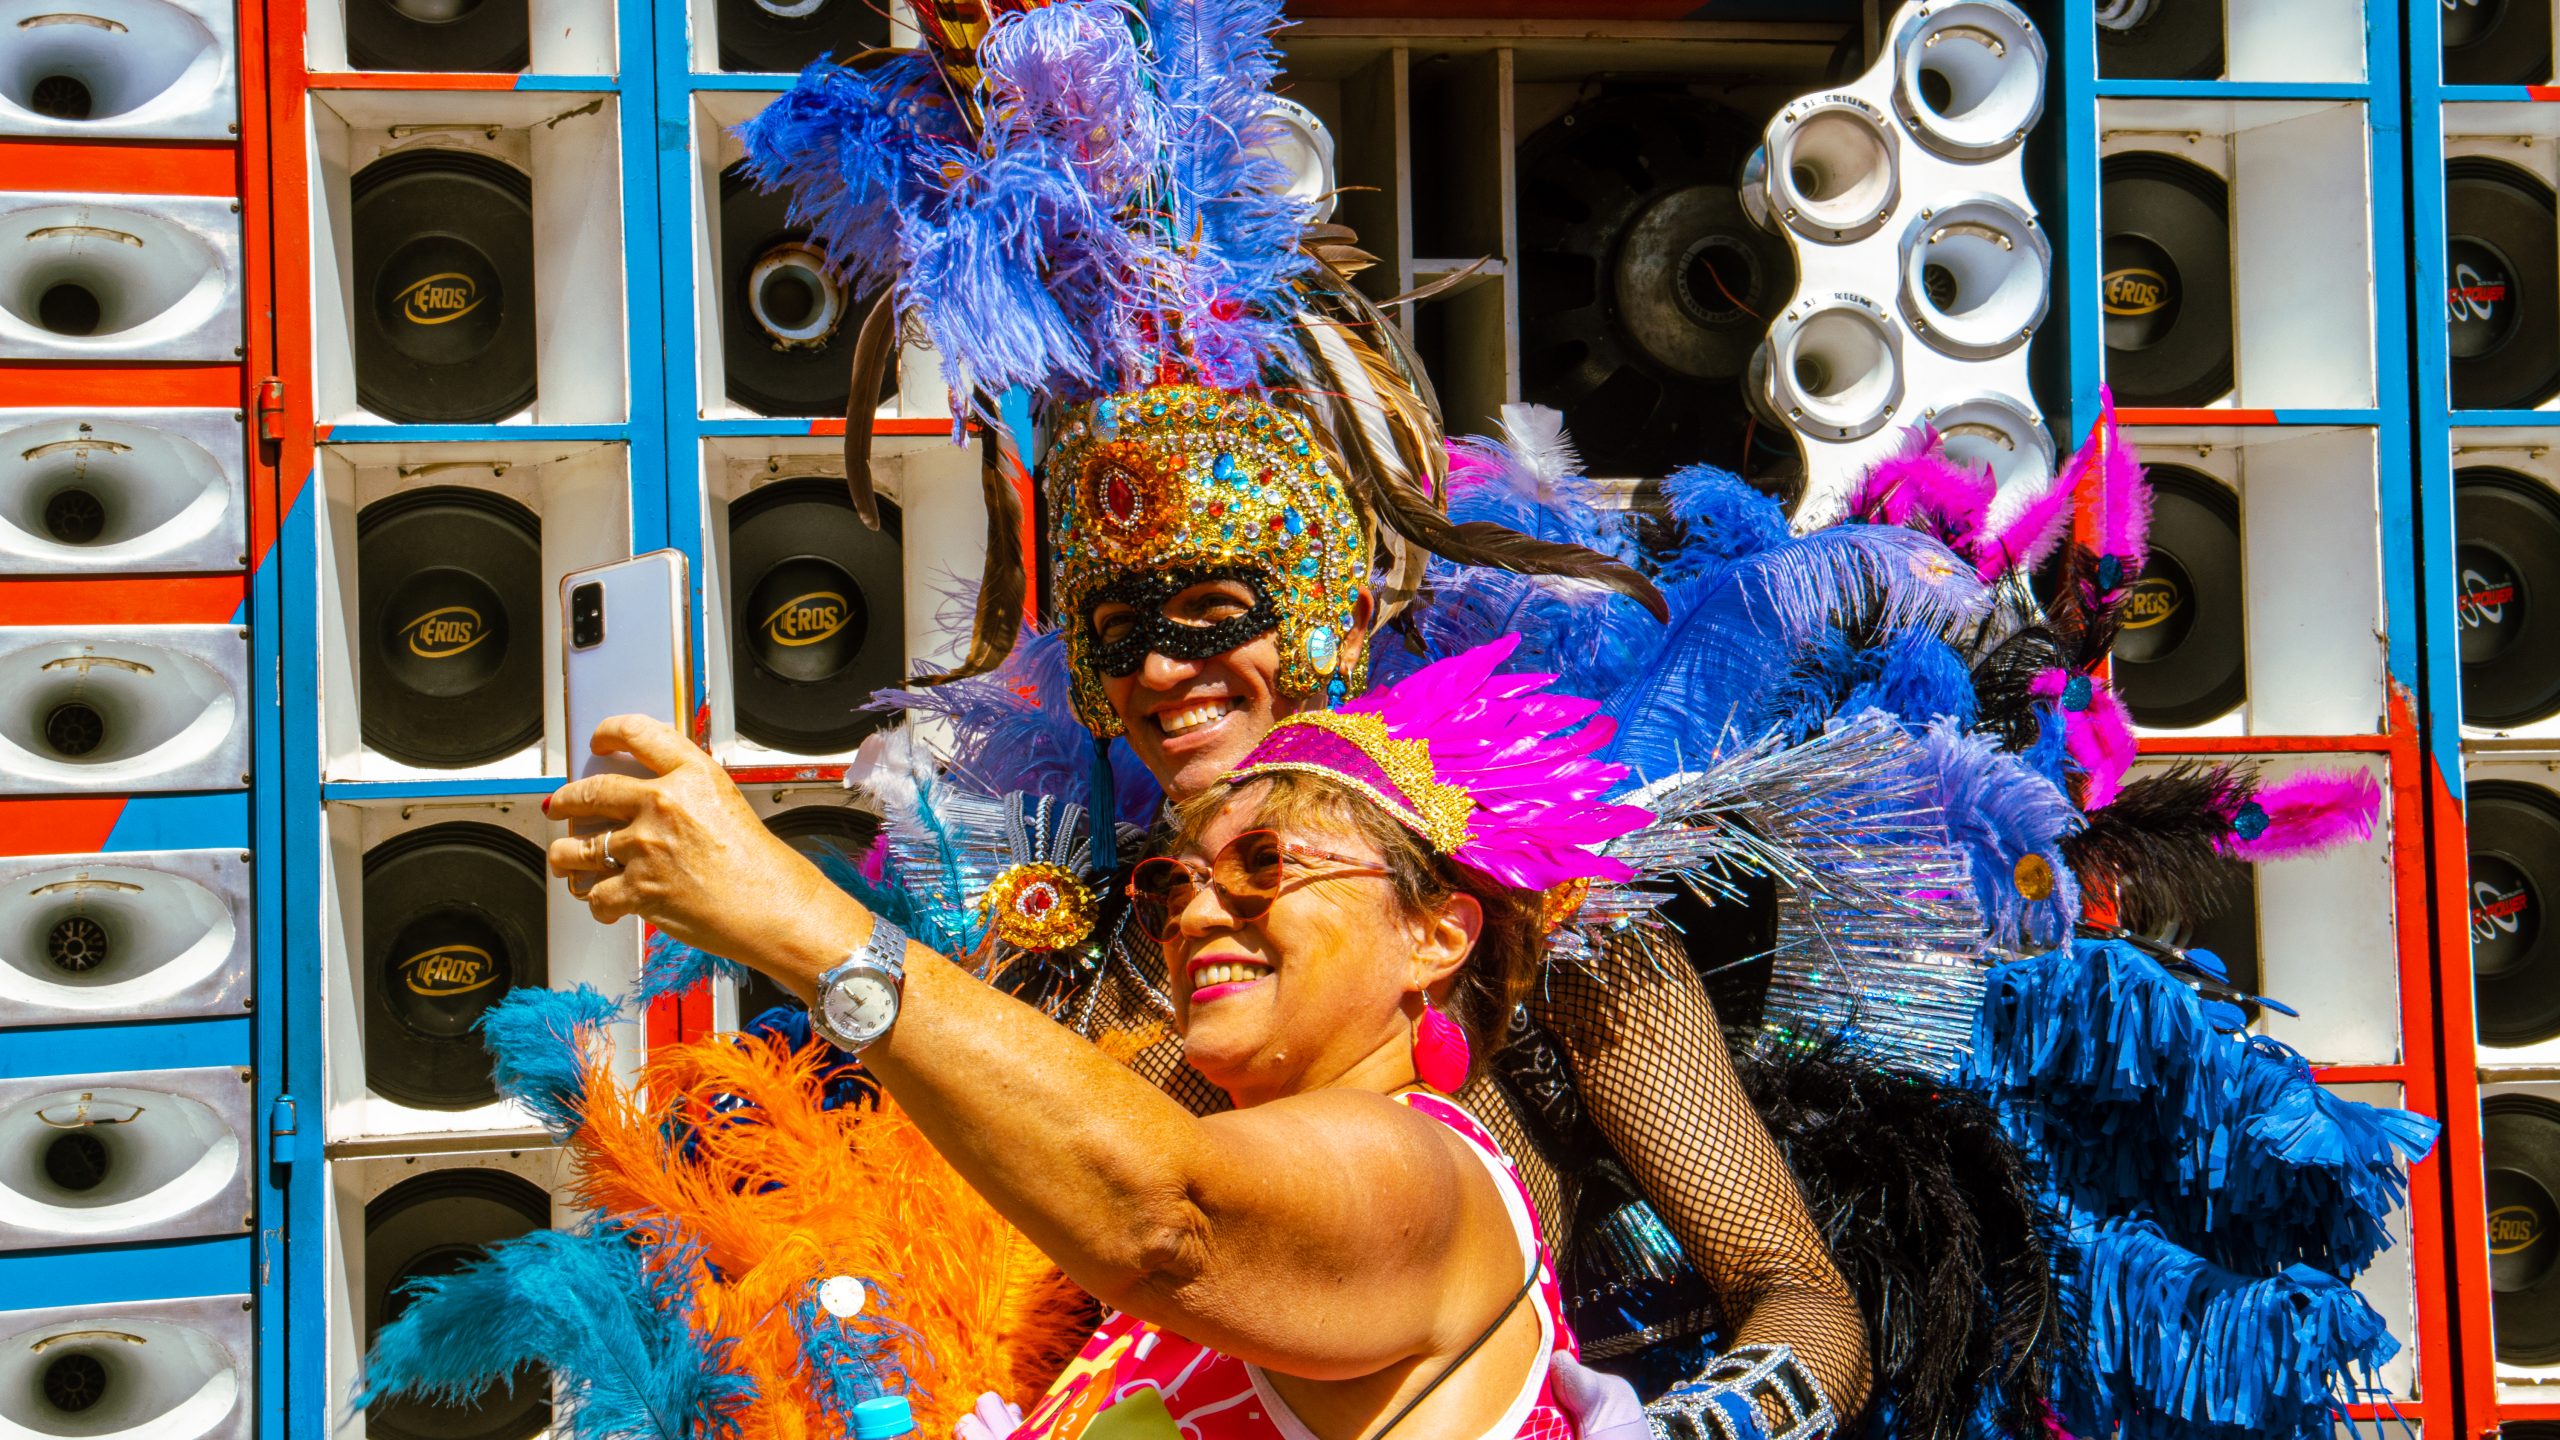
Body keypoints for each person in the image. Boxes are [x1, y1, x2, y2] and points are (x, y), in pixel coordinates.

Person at [542, 642, 1808, 1440]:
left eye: (1262, 866)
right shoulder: (1211, 1272)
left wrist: (794, 918)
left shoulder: (1426, 1175)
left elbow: (1168, 1218)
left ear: (1434, 936)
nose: (1197, 910)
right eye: (1175, 883)